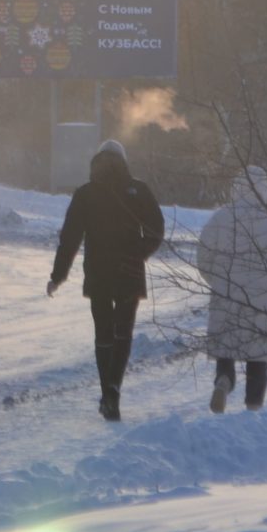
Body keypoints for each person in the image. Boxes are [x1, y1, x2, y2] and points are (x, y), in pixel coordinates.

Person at [48, 140, 165, 422]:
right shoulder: (138, 190)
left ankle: (106, 395)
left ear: (96, 162)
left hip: (98, 273)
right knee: (122, 333)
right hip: (130, 272)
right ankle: (112, 391)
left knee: (103, 333)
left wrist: (58, 276)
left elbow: (70, 238)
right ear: (123, 161)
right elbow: (156, 229)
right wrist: (139, 252)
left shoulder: (86, 194)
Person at [197, 165, 267, 413]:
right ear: (263, 189)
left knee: (226, 350)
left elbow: (204, 257)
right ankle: (253, 405)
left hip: (226, 295)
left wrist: (218, 282)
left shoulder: (220, 218)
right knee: (258, 357)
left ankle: (223, 382)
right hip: (260, 298)